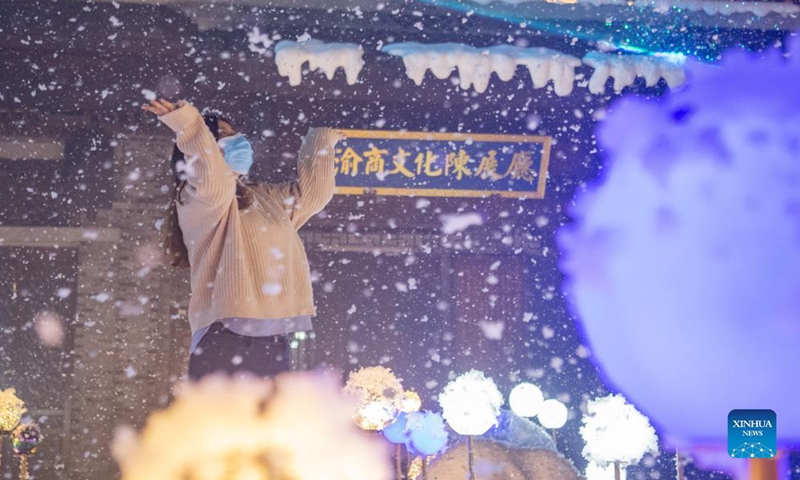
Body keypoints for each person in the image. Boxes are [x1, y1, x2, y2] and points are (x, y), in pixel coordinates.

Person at [141, 98, 346, 381]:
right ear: (205, 150)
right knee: (221, 424)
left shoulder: (263, 198)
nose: (238, 141)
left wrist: (321, 140)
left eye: (236, 134)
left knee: (268, 425)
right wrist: (188, 125)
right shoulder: (197, 196)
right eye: (225, 135)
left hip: (274, 336)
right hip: (224, 336)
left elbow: (313, 195)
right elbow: (213, 179)